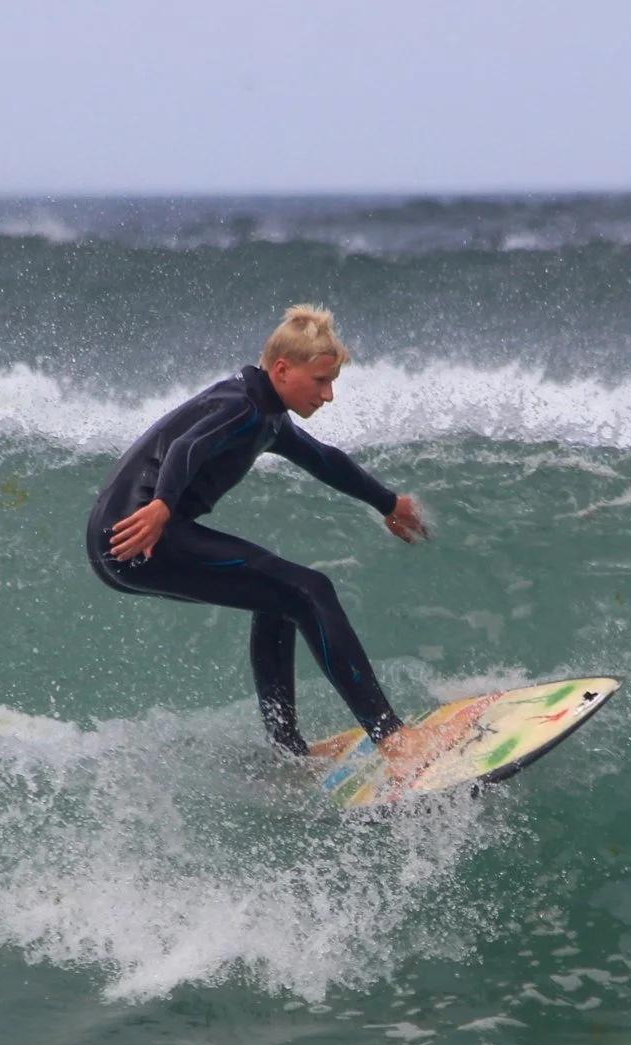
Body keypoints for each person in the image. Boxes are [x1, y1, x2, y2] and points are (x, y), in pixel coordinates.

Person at [87, 304, 435, 762]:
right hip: (139, 535)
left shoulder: (267, 414)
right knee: (310, 589)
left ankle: (287, 753)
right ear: (283, 369)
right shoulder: (241, 406)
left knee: (279, 598)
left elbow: (323, 458)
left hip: (129, 539)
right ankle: (392, 738)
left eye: (332, 382)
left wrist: (388, 503)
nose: (328, 395)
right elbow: (184, 447)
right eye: (320, 381)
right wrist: (162, 506)